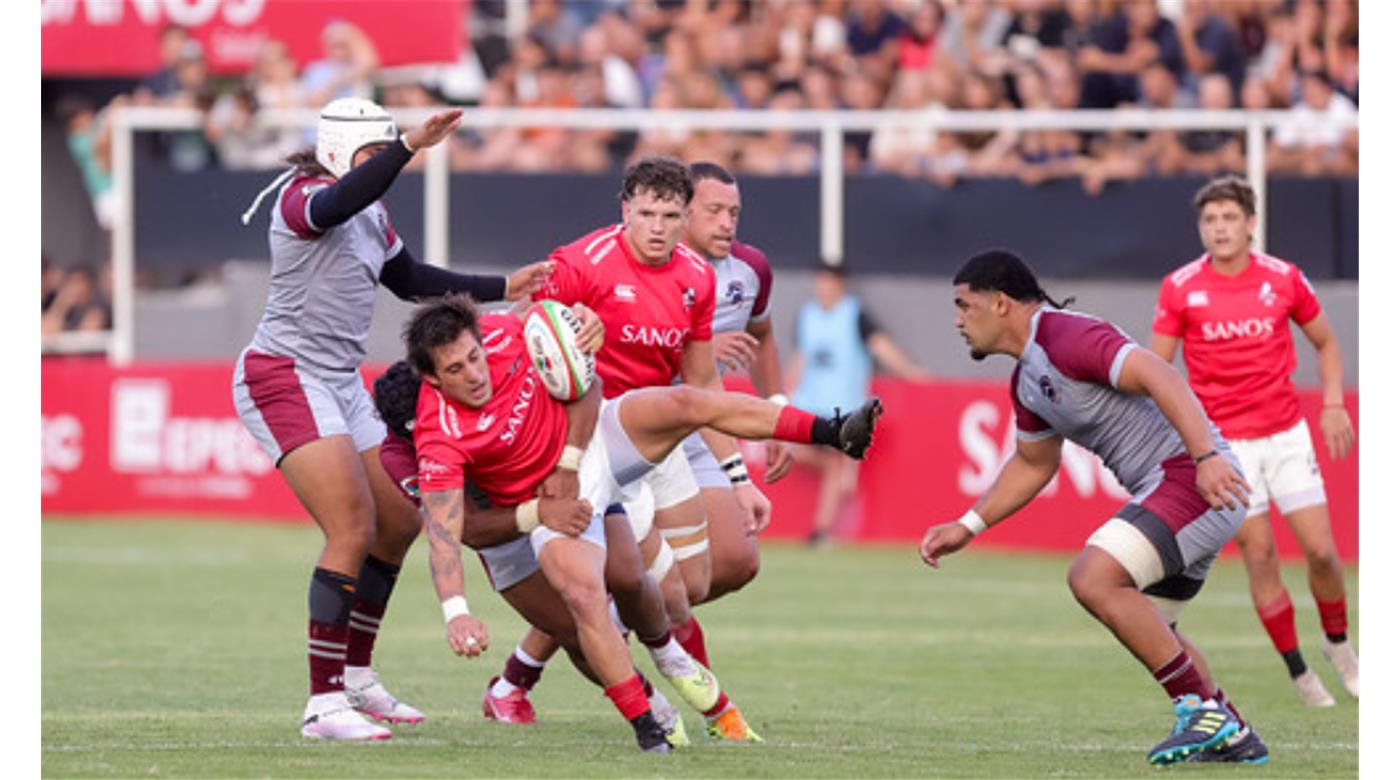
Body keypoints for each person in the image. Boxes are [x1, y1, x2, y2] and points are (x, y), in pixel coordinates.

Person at [403, 295, 881, 751]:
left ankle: (834, 430)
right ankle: (647, 722)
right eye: (455, 369)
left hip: (587, 446)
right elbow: (447, 533)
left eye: (474, 356)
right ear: (432, 378)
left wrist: (581, 333)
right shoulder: (436, 434)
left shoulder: (512, 331)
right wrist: (456, 612)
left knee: (686, 404)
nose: (474, 374)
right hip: (549, 501)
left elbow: (586, 385)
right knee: (585, 601)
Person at [230, 97, 553, 741]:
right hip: (284, 373)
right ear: (335, 152)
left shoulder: (370, 209)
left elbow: (410, 279)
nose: (381, 167)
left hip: (341, 380)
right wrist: (406, 146)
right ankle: (323, 706)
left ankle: (354, 677)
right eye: (370, 155)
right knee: (350, 526)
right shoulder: (301, 197)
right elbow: (335, 203)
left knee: (399, 520)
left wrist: (504, 286)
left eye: (382, 155)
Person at [920, 249, 1266, 766]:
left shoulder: (1066, 336)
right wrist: (969, 525)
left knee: (1094, 578)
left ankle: (1196, 711)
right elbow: (1034, 464)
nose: (957, 320)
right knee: (1155, 629)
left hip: (1193, 479)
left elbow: (1161, 375)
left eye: (964, 306)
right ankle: (1232, 730)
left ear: (1000, 303)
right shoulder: (1026, 379)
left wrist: (1207, 456)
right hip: (1181, 484)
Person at [482, 156, 771, 741]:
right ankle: (688, 710)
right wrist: (560, 326)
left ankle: (525, 672)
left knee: (688, 586)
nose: (658, 226)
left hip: (659, 435)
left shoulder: (701, 277)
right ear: (625, 210)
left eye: (670, 215)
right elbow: (524, 331)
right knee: (624, 584)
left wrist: (737, 472)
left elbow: (701, 386)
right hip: (590, 442)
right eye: (646, 213)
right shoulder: (579, 263)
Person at [1148, 175, 1358, 707]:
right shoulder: (1180, 287)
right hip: (1226, 449)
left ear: (1250, 224)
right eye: (1210, 220)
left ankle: (1340, 649)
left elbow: (1327, 343)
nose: (1219, 229)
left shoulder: (1283, 278)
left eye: (1228, 219)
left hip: (1286, 435)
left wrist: (1333, 403)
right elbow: (1156, 370)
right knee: (1259, 555)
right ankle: (1300, 673)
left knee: (1322, 553)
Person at [787, 264, 927, 546]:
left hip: (842, 407)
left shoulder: (855, 314)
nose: (823, 288)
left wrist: (912, 373)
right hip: (807, 404)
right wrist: (784, 394)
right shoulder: (807, 316)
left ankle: (822, 529)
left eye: (828, 282)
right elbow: (800, 358)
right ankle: (841, 488)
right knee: (797, 453)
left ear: (840, 284)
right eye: (819, 282)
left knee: (834, 463)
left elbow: (880, 346)